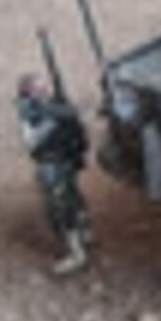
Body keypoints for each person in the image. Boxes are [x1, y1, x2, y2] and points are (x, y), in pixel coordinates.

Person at [15, 73, 93, 275]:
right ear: (28, 93)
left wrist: (68, 117)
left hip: (66, 161)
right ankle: (76, 248)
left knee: (71, 202)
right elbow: (31, 142)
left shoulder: (55, 104)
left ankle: (82, 243)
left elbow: (78, 128)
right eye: (37, 89)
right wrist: (53, 120)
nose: (43, 91)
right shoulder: (30, 112)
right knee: (59, 209)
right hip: (50, 163)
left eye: (44, 87)